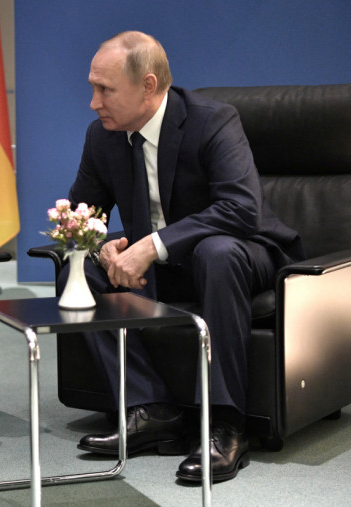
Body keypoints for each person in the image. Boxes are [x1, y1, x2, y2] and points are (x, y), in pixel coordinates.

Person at [63, 31, 304, 482]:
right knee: (78, 269)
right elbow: (82, 216)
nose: (93, 102)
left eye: (105, 90)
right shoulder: (103, 136)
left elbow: (240, 209)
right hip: (166, 266)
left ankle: (226, 426)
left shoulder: (212, 121)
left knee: (217, 252)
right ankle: (149, 407)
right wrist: (101, 243)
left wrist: (150, 246)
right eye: (93, 87)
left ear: (148, 86)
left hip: (244, 254)